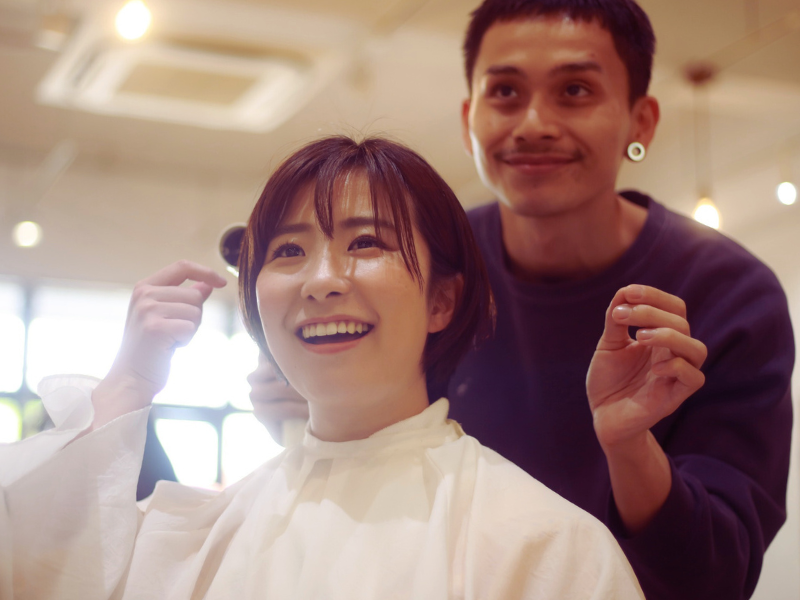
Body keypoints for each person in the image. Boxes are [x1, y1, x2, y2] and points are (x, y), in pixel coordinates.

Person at [249, 2, 795, 599]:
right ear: (468, 118)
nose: (533, 122)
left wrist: (627, 446)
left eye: (575, 90)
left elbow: (717, 576)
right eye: (505, 91)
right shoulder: (429, 262)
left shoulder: (730, 294)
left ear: (641, 121)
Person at [0, 136, 671, 599]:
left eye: (366, 242)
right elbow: (43, 572)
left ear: (443, 298)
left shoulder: (541, 541)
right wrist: (128, 383)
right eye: (288, 251)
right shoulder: (203, 529)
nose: (321, 280)